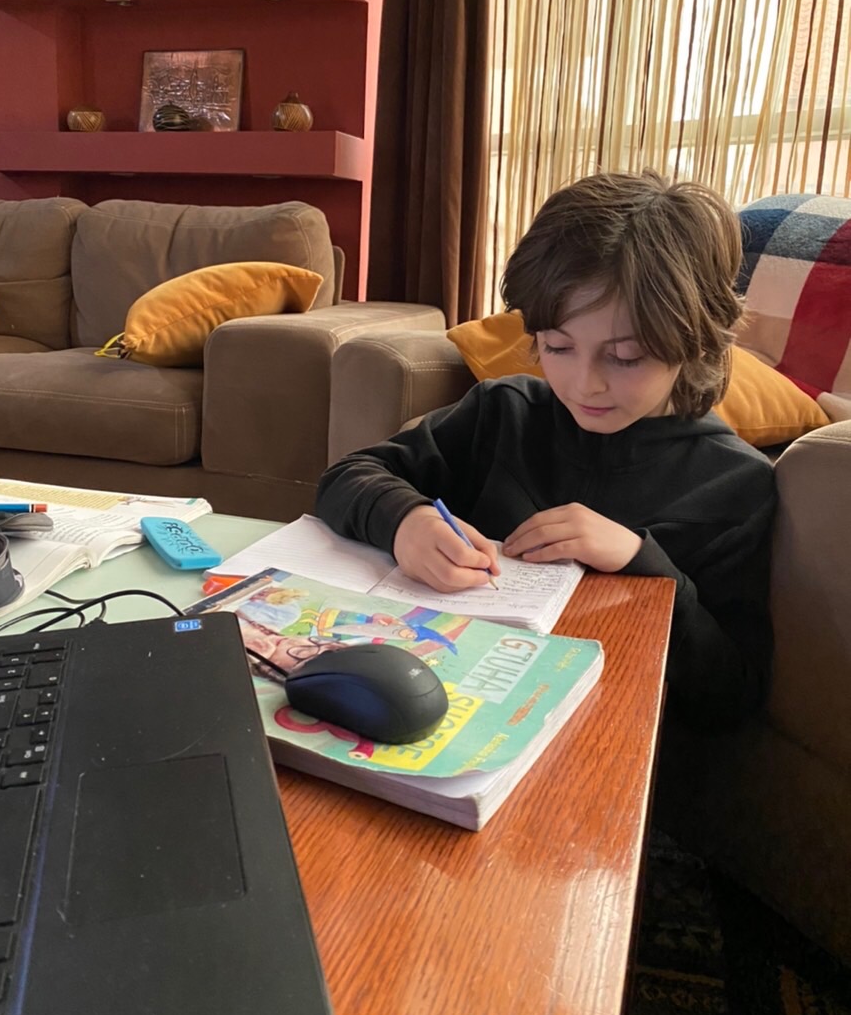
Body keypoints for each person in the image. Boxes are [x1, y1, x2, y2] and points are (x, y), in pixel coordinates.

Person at [315, 169, 777, 727]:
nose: (585, 384)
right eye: (558, 347)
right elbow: (347, 476)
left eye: (625, 356)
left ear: (696, 338)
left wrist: (641, 561)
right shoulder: (503, 412)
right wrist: (405, 521)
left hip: (606, 738)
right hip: (446, 702)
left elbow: (734, 692)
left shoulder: (735, 483)